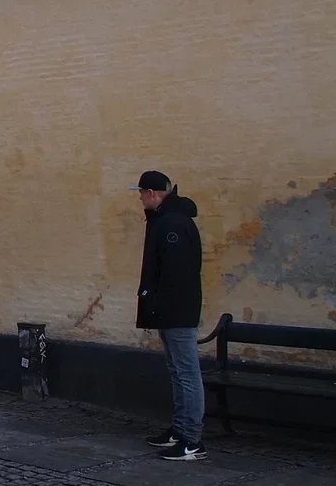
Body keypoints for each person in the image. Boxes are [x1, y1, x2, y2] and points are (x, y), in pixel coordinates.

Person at [134, 170, 206, 461]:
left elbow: (175, 274)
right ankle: (179, 431)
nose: (139, 198)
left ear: (152, 194)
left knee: (187, 374)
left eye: (141, 193)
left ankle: (192, 440)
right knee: (178, 372)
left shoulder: (172, 224)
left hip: (177, 310)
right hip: (170, 310)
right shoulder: (165, 221)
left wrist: (158, 303)